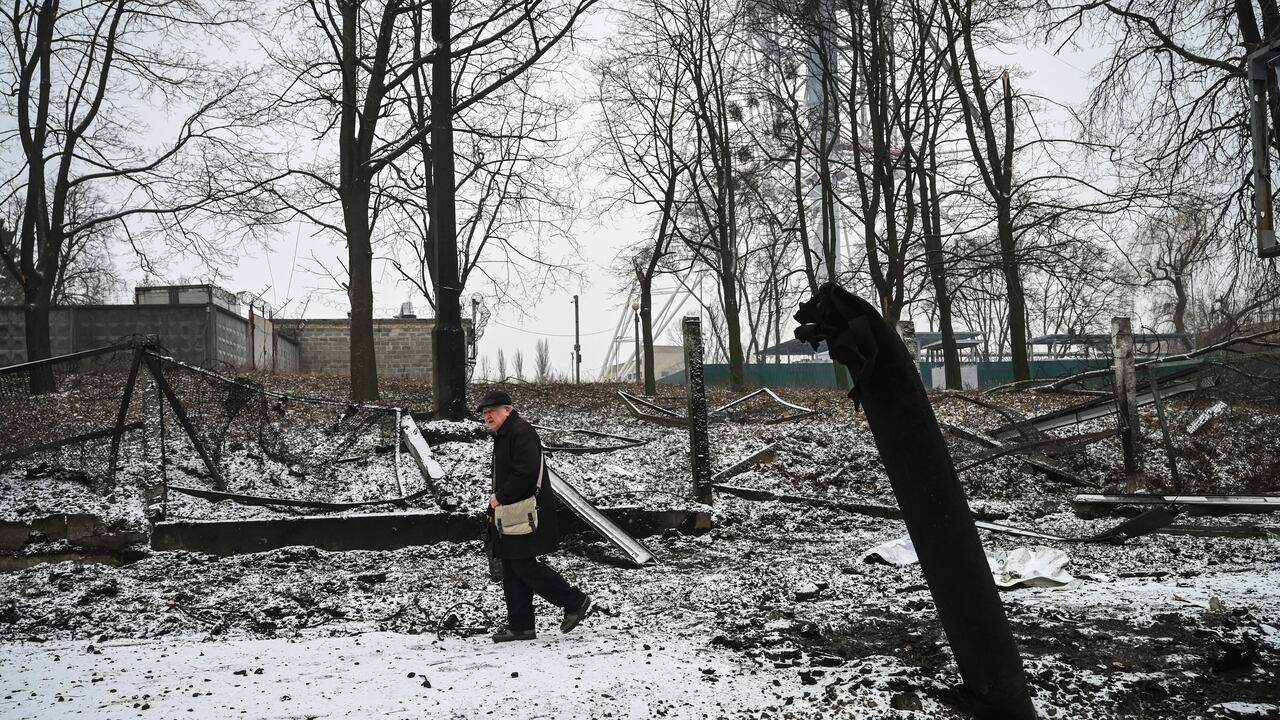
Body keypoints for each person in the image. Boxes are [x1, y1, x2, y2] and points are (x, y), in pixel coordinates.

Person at [478, 389, 593, 642]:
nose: (487, 416)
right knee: (512, 565)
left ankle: (575, 601)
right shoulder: (506, 434)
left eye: (492, 411)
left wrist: (499, 498)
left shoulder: (520, 432)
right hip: (512, 513)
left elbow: (526, 473)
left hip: (525, 512)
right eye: (484, 413)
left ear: (507, 410)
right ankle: (521, 626)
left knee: (522, 564)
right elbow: (508, 476)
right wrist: (493, 509)